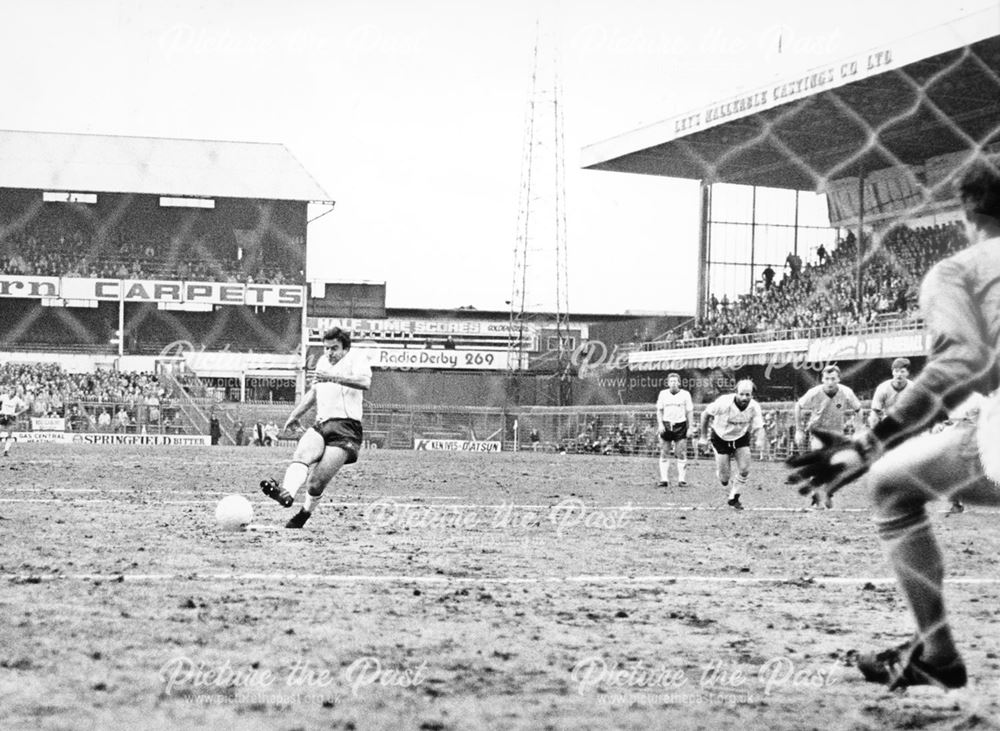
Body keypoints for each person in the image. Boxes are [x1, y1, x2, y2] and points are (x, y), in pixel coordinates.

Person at [786, 159, 1000, 691]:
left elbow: (961, 361)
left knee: (889, 486)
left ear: (967, 216)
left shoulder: (961, 269)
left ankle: (937, 651)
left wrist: (867, 446)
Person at [260, 327, 372, 529]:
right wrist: (295, 415)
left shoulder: (356, 358)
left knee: (315, 482)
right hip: (322, 424)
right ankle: (287, 494)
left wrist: (333, 378)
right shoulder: (322, 362)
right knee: (302, 455)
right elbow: (314, 392)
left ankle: (304, 514)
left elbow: (365, 382)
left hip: (347, 429)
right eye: (327, 348)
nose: (329, 353)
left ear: (345, 348)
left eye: (334, 348)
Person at [793, 364, 861, 508]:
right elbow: (798, 406)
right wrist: (799, 430)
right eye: (827, 378)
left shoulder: (846, 392)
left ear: (838, 379)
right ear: (822, 379)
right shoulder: (814, 392)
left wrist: (858, 429)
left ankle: (827, 492)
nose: (830, 382)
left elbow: (858, 409)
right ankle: (816, 497)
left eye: (833, 379)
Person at [698, 379, 764, 510]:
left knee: (745, 469)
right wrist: (703, 437)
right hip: (720, 438)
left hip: (740, 437)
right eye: (741, 394)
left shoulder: (754, 407)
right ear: (736, 393)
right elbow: (705, 415)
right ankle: (721, 472)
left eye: (748, 395)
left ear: (752, 395)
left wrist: (760, 440)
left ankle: (734, 497)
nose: (744, 398)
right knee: (724, 479)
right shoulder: (723, 402)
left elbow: (759, 426)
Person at [655, 373, 694, 487]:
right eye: (671, 381)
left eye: (675, 381)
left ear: (679, 382)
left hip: (680, 426)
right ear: (668, 383)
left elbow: (689, 412)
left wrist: (690, 427)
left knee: (680, 452)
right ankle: (664, 479)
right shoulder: (663, 394)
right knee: (664, 451)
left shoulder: (685, 394)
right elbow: (659, 410)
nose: (673, 383)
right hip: (666, 425)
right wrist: (660, 425)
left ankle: (681, 480)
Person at [0, 385, 28, 457]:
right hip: (3, 416)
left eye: (13, 391)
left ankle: (6, 450)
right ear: (8, 391)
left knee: (9, 434)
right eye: (10, 391)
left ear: (15, 392)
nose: (11, 392)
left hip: (10, 417)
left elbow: (25, 407)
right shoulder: (3, 396)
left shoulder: (16, 399)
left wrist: (17, 413)